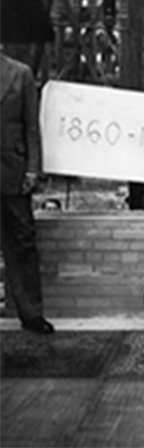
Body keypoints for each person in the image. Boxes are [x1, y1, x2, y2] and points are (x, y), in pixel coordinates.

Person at [0, 51, 53, 334]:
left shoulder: (20, 74)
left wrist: (33, 169)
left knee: (22, 242)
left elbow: (32, 128)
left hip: (13, 174)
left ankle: (32, 314)